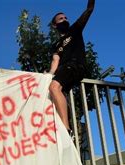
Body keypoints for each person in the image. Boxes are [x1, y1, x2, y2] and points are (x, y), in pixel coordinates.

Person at [48, 0, 95, 134]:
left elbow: (89, 10)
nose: (65, 19)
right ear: (54, 25)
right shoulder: (56, 45)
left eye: (66, 18)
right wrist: (50, 73)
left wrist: (91, 4)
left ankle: (66, 130)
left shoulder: (75, 29)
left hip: (76, 65)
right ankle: (64, 126)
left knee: (54, 87)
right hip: (64, 70)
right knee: (54, 91)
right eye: (61, 19)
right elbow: (55, 60)